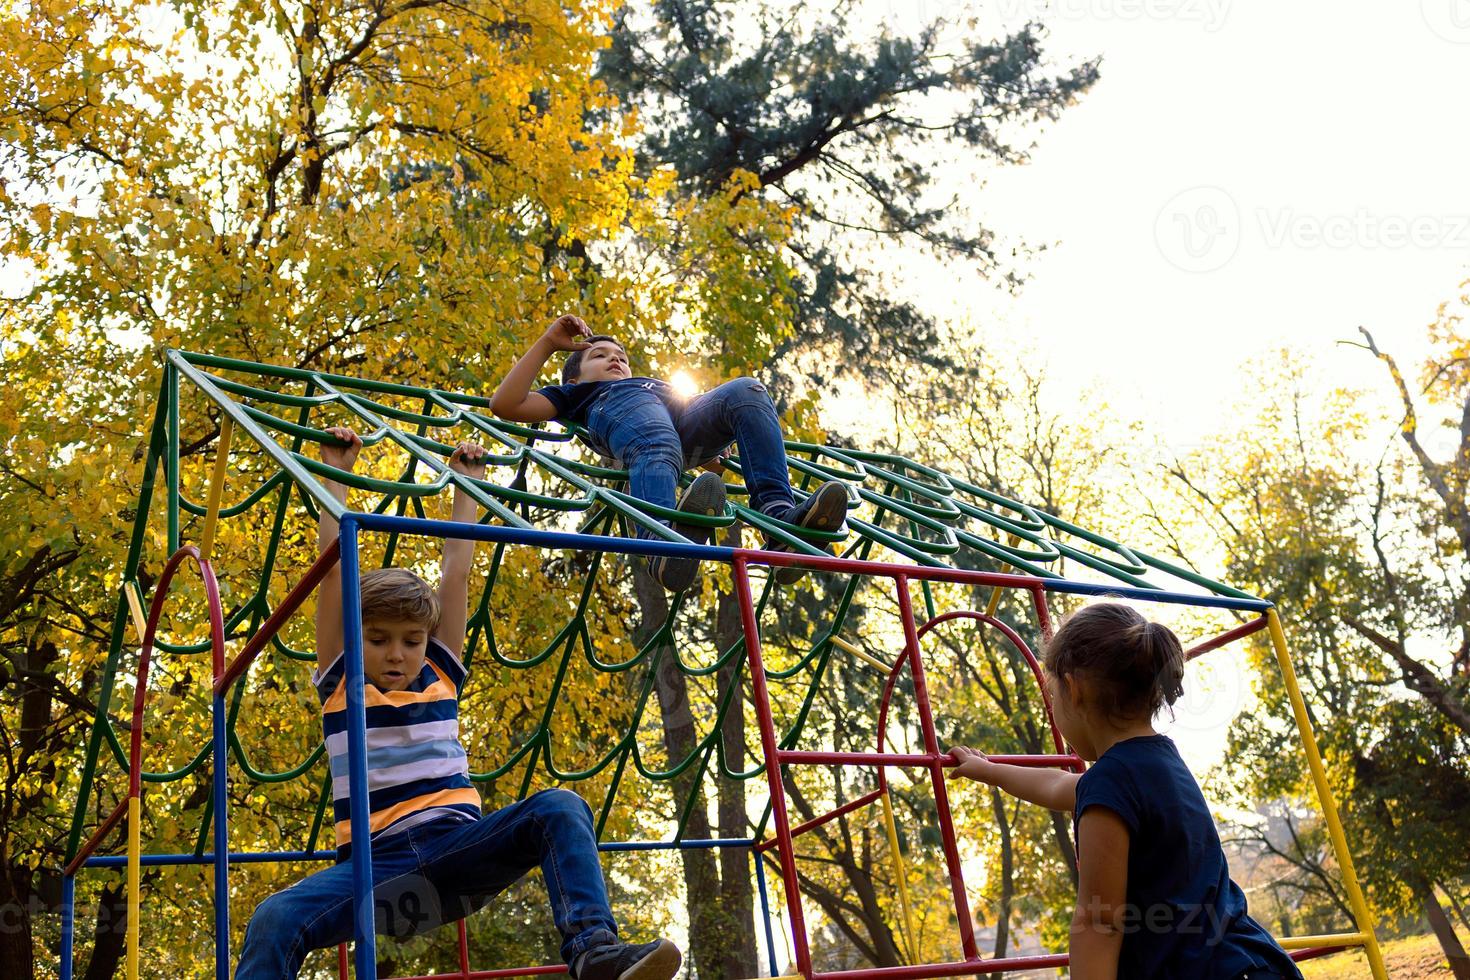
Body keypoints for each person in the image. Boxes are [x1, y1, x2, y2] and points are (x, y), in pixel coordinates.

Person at [235, 426, 681, 980]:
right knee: (275, 916)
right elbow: (330, 576)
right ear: (355, 639)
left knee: (561, 806)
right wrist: (334, 476)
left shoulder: (440, 672)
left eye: (411, 641)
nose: (397, 655)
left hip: (458, 853)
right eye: (378, 640)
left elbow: (457, 570)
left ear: (427, 640)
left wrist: (466, 488)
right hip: (381, 876)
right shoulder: (343, 683)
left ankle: (593, 949)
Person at [947, 602, 1303, 980]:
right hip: (1249, 961)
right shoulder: (1156, 761)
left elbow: (1099, 922)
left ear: (1073, 688)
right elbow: (1057, 785)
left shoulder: (1111, 782)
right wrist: (990, 770)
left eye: (1052, 696)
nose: (1054, 707)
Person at [489, 314, 849, 592]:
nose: (615, 360)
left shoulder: (652, 385)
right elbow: (505, 403)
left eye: (621, 357)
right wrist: (549, 343)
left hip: (677, 415)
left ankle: (779, 521)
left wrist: (709, 446)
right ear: (574, 380)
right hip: (628, 417)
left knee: (746, 390)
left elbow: (691, 416)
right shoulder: (579, 395)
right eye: (599, 356)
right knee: (656, 439)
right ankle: (659, 541)